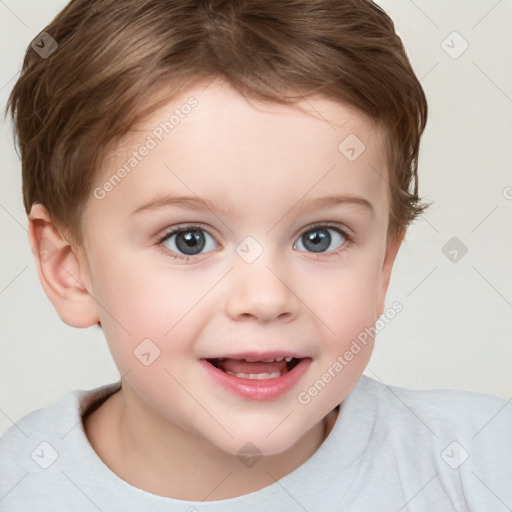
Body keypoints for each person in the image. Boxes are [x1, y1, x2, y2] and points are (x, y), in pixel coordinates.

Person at [1, 0, 510, 510]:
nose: (266, 298)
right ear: (68, 268)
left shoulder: (483, 464)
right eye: (189, 239)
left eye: (320, 237)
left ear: (382, 265)